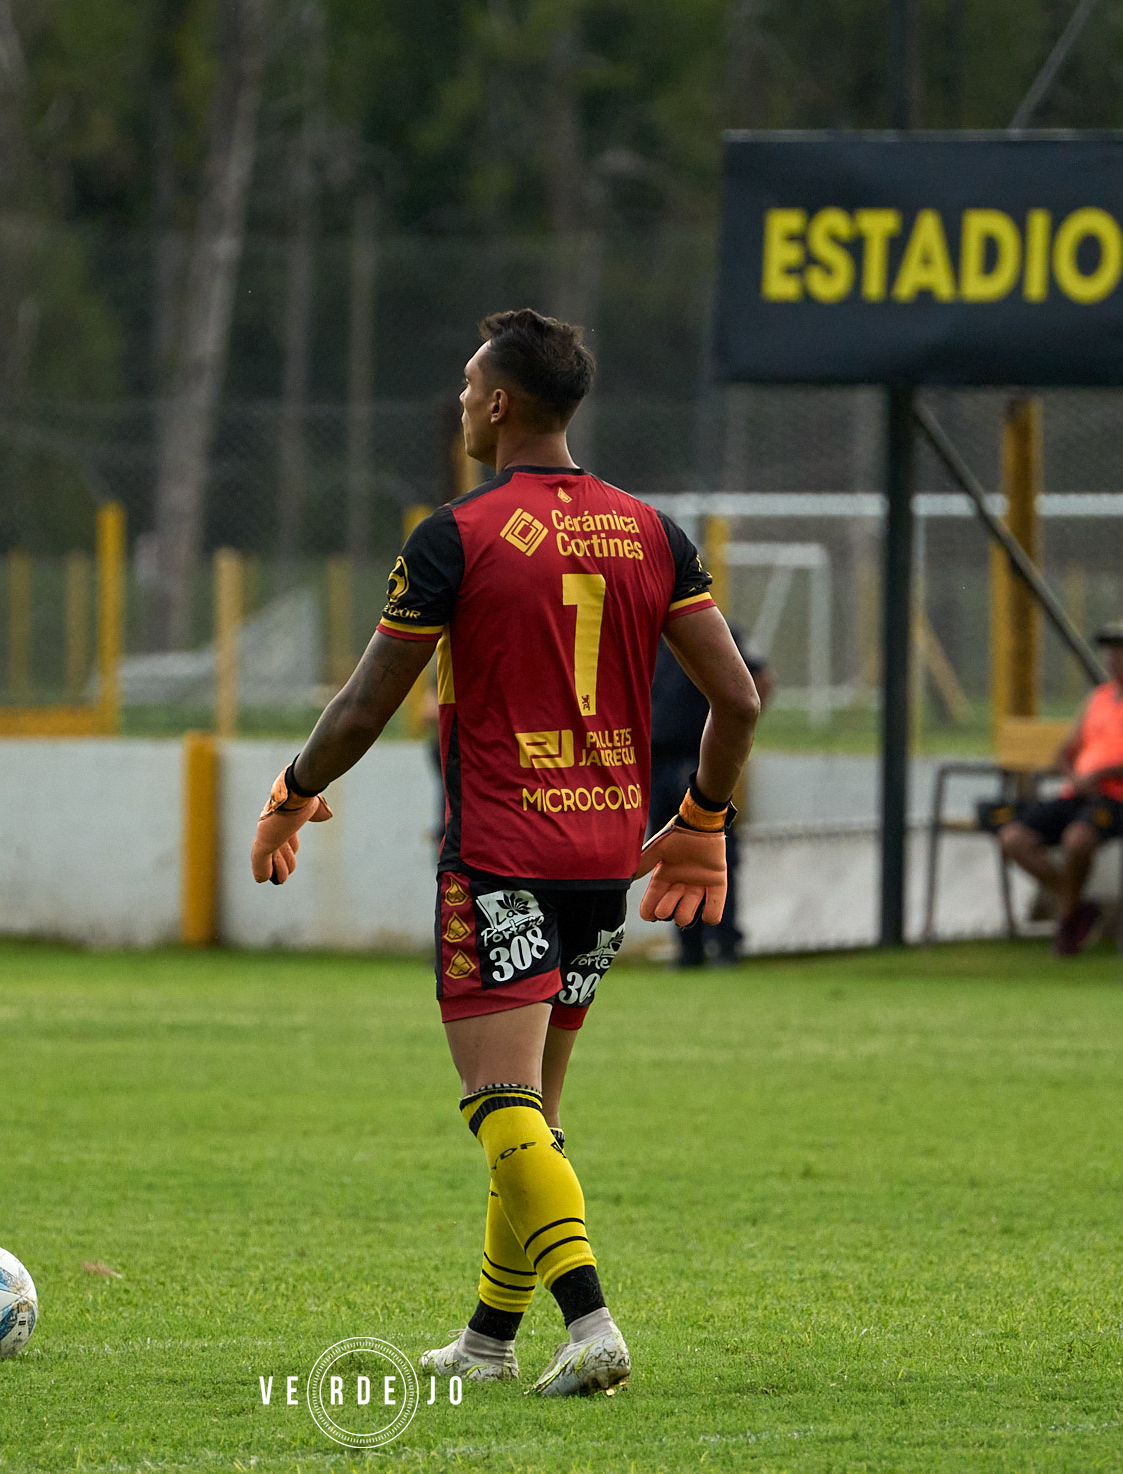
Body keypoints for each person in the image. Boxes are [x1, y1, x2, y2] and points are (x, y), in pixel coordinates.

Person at [247, 309, 760, 1397]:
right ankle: (487, 1341)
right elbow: (738, 699)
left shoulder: (457, 534)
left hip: (498, 856)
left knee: (497, 1105)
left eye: (468, 381)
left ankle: (591, 1325)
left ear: (496, 403)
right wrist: (701, 821)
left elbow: (362, 703)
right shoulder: (649, 532)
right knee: (530, 1111)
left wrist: (293, 791)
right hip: (603, 863)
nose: (462, 397)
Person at [995, 618, 1123, 957]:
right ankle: (1077, 909)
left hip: (1121, 798)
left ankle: (1069, 918)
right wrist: (1073, 776)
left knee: (1077, 839)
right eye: (1110, 650)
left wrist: (1099, 775)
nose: (1114, 657)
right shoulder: (1098, 698)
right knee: (1012, 839)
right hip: (1078, 793)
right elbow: (1064, 752)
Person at [649, 626, 770, 965]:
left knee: (715, 853)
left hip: (700, 761)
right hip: (655, 762)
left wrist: (733, 741)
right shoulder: (645, 630)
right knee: (670, 857)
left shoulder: (715, 628)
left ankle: (725, 943)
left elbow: (757, 683)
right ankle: (690, 948)